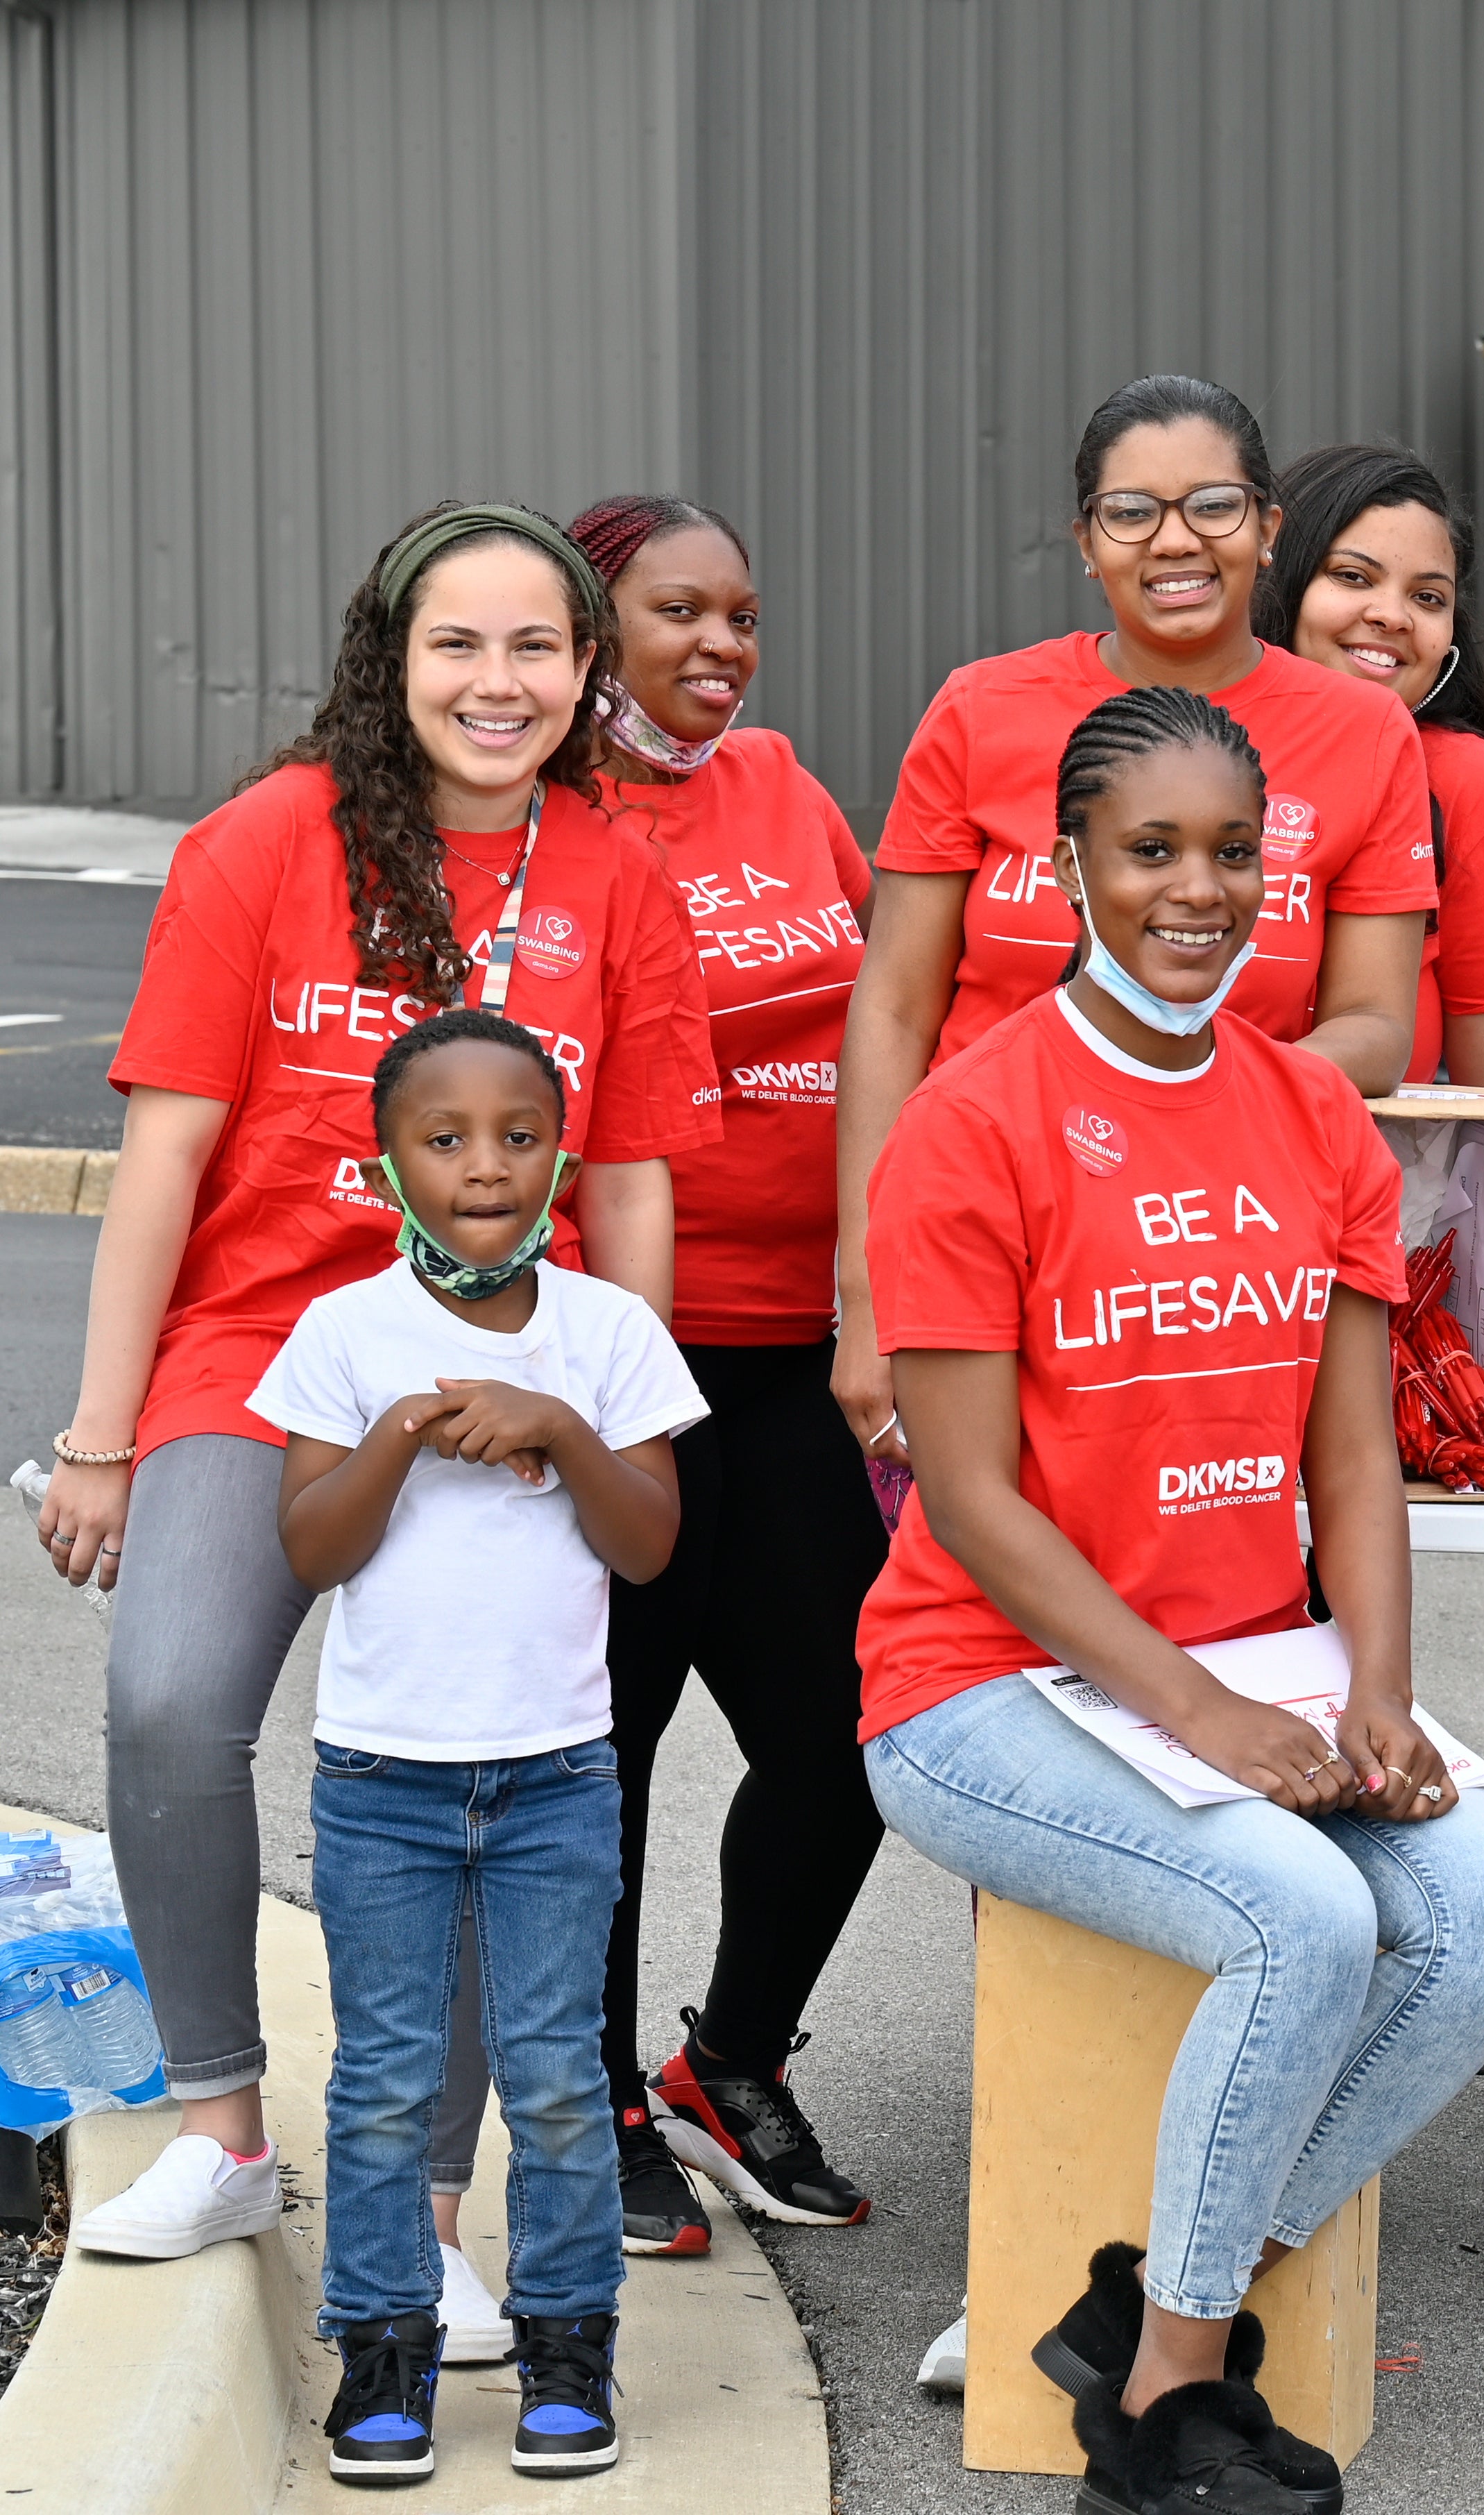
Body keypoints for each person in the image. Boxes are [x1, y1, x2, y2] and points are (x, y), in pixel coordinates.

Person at [858, 686, 1484, 2514]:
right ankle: (1165, 2407)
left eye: (1234, 852)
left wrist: (1381, 1697)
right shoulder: (974, 1119)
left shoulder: (1310, 1116)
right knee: (1304, 1923)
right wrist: (1214, 1719)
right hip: (982, 1688)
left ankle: (1163, 2303)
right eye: (1151, 850)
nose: (1199, 889)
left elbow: (1353, 1463)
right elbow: (974, 1499)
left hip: (1257, 1662)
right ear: (1066, 866)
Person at [46, 507, 714, 2319]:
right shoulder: (265, 845)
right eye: (458, 646)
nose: (497, 684)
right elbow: (168, 1150)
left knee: (468, 1782)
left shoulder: (615, 878)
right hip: (259, 1353)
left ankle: (420, 2218)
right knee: (174, 1701)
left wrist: (622, 1407)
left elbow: (636, 1174)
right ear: (389, 658)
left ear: (585, 675)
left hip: (507, 1374)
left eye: (535, 651)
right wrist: (105, 1432)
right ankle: (223, 2130)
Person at [254, 1008, 706, 2486]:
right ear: (387, 1161)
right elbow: (313, 1548)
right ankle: (385, 2354)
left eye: (518, 1136)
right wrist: (399, 1432)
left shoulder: (608, 1334)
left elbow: (648, 1548)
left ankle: (568, 2349)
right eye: (445, 1140)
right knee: (383, 2075)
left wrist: (558, 1427)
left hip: (556, 1775)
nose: (485, 1167)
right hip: (382, 1779)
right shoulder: (346, 1332)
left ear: (560, 1154)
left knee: (560, 2075)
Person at [837, 374, 1440, 1459]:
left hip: (1220, 1251)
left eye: (1212, 505)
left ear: (1266, 525)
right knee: (986, 1590)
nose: (1176, 542)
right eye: (1132, 512)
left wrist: (1181, 1091)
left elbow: (1374, 1028)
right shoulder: (981, 710)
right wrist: (868, 1292)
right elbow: (892, 1012)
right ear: (1086, 540)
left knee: (1208, 1584)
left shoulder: (1364, 734)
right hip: (981, 1237)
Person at [553, 493, 891, 2253]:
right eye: (677, 611)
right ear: (590, 628)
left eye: (741, 613)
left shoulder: (782, 788)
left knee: (853, 1742)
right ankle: (591, 2097)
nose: (721, 646)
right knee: (592, 1762)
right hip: (616, 1372)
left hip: (794, 1362)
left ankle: (727, 2062)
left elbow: (884, 1019)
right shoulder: (538, 815)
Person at [1254, 441, 1484, 1091]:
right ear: (1276, 577)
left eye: (1428, 598)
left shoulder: (1471, 787)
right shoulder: (1167, 748)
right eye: (1352, 577)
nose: (1392, 616)